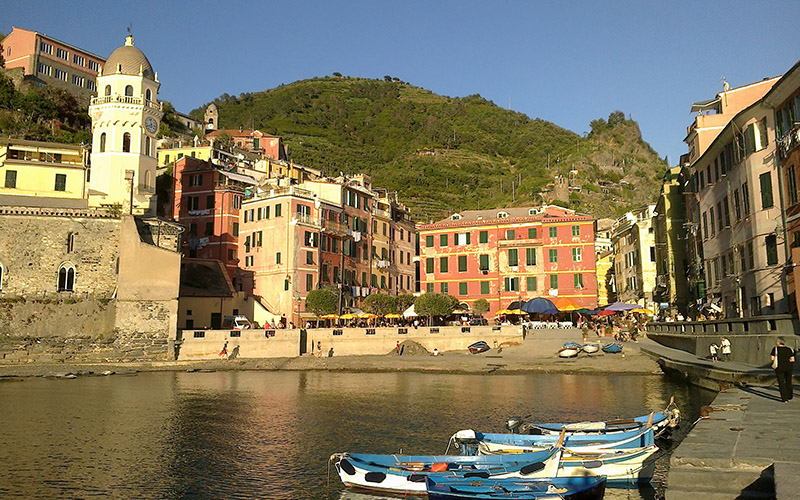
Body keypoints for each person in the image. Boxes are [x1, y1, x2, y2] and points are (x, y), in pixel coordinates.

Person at [771, 338, 795, 402]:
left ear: (779, 342)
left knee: (781, 383)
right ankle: (790, 396)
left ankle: (784, 398)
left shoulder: (775, 349)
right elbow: (792, 359)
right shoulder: (789, 349)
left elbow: (772, 358)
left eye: (776, 341)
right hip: (788, 367)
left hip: (779, 368)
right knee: (788, 382)